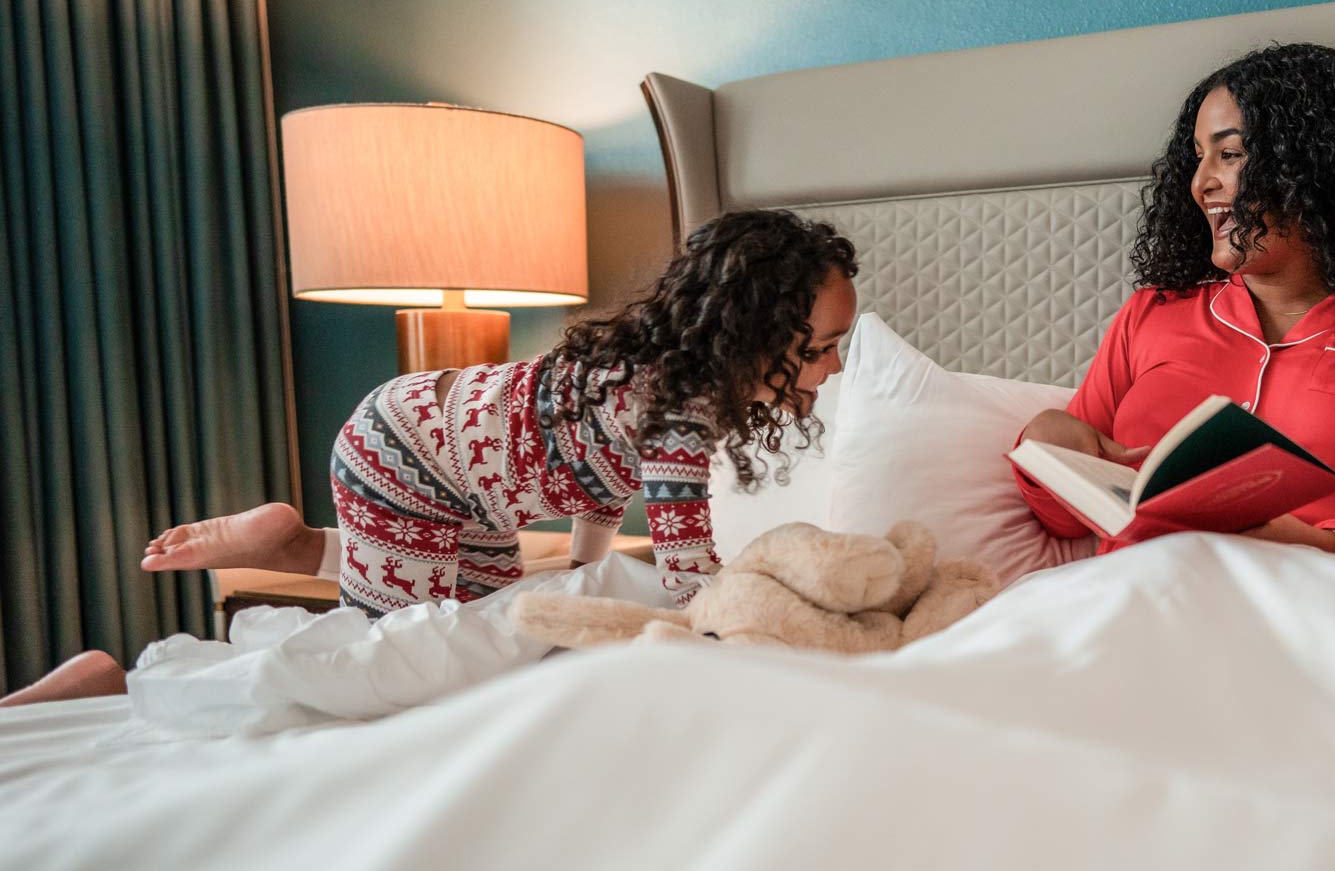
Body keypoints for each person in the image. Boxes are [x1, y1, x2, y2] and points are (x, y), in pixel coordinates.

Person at [143, 207, 856, 616]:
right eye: (822, 347)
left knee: (475, 615)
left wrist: (582, 572)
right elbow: (690, 577)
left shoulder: (654, 374)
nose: (835, 368)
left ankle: (291, 543)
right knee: (411, 645)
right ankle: (288, 541)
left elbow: (601, 480)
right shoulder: (678, 415)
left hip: (464, 485)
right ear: (751, 337)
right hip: (406, 452)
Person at [1011, 43, 1335, 574]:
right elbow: (1066, 519)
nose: (1201, 183)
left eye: (1230, 155)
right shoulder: (1152, 314)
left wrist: (1317, 543)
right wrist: (1046, 441)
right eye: (1198, 158)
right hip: (1134, 600)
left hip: (1310, 598)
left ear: (1316, 167)